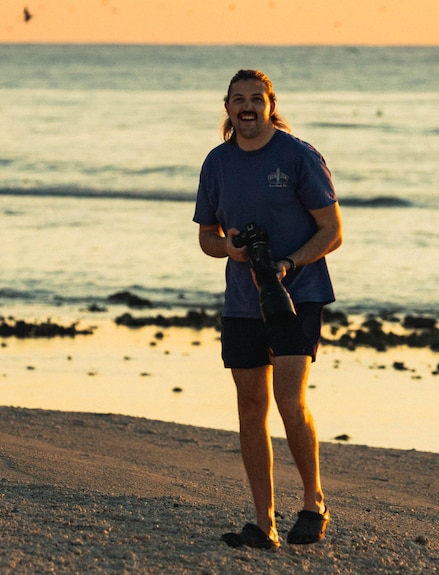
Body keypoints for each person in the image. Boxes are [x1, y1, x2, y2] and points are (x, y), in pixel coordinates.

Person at [193, 69, 343, 549]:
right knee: (250, 407)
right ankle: (264, 523)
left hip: (297, 295)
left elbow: (332, 231)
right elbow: (206, 237)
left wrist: (287, 262)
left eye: (256, 98)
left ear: (270, 104)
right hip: (242, 300)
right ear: (228, 107)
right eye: (238, 99)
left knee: (289, 401)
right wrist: (230, 249)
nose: (247, 107)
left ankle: (313, 500)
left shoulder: (299, 155)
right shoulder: (217, 163)